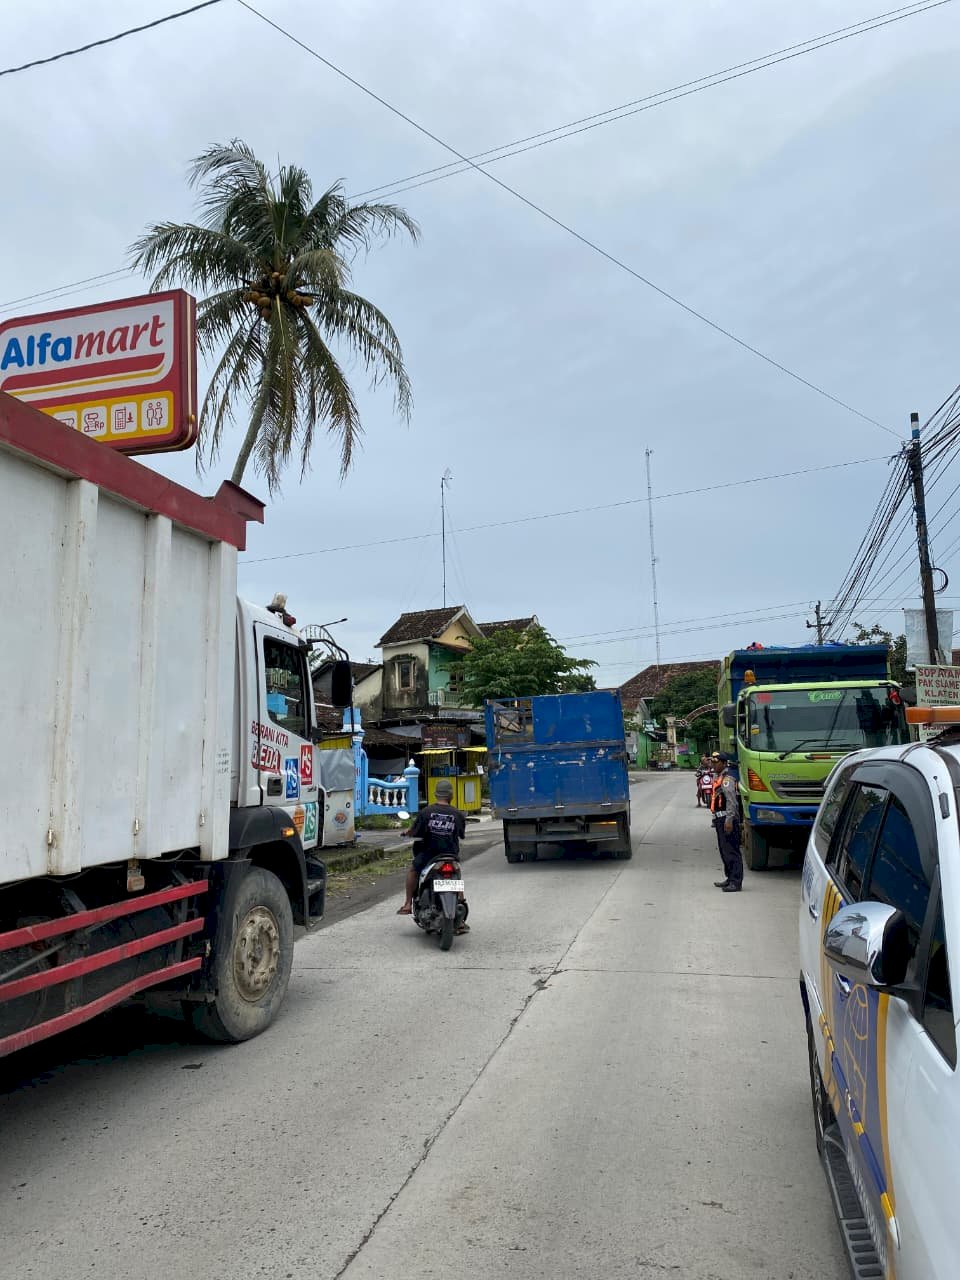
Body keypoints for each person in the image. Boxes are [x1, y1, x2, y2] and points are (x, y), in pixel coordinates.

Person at [397, 778, 469, 928]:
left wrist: (407, 832)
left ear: (436, 795)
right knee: (456, 874)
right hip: (450, 855)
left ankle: (408, 903)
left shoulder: (426, 812)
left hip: (430, 855)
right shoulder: (458, 814)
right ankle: (461, 908)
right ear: (451, 795)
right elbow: (461, 834)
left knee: (413, 871)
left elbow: (415, 831)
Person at [710, 752, 743, 892]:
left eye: (716, 762)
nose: (714, 765)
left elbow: (731, 802)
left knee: (731, 851)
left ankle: (736, 881)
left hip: (727, 820)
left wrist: (729, 821)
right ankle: (730, 878)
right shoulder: (719, 777)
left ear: (724, 763)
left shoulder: (727, 779)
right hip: (720, 819)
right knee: (724, 851)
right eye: (713, 762)